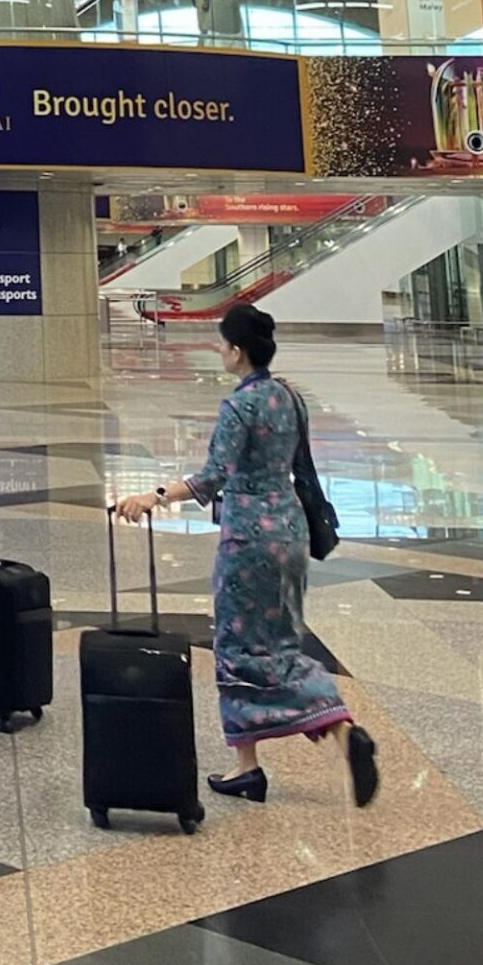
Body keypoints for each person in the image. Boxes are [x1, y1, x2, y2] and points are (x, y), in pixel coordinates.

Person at [115, 302, 379, 809]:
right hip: (290, 530)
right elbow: (302, 465)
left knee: (238, 646)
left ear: (237, 352)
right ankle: (260, 763)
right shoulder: (289, 398)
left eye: (221, 343)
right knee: (282, 639)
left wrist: (154, 495)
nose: (218, 349)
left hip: (248, 539)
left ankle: (313, 734)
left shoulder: (240, 406)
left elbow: (213, 476)